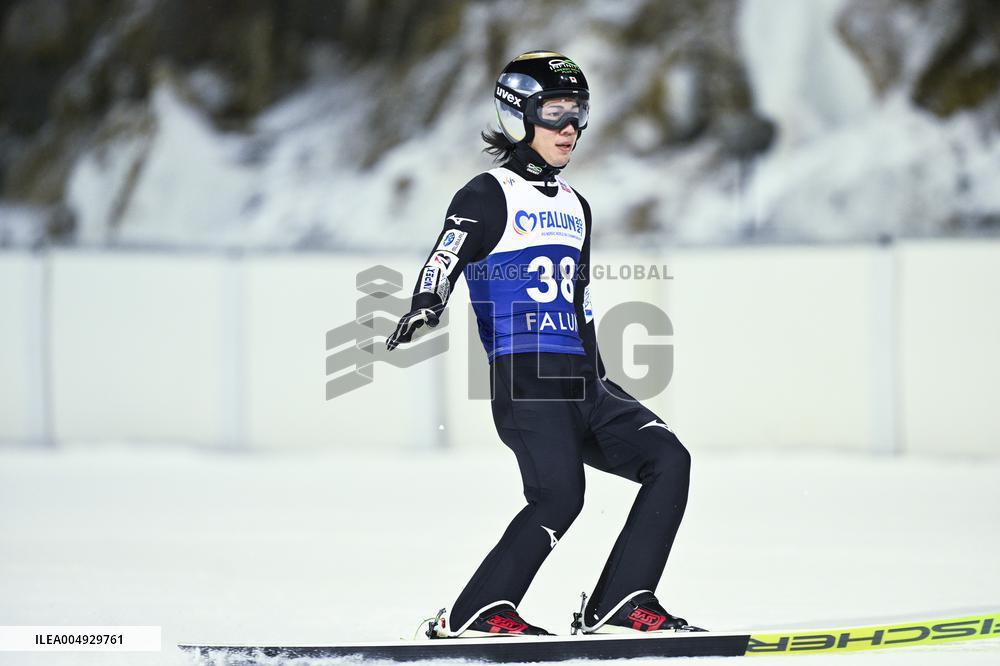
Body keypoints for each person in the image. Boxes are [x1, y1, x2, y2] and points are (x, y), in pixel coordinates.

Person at [387, 51, 696, 637]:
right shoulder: (487, 193)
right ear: (517, 117)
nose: (569, 128)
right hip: (525, 381)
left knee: (668, 459)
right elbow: (446, 255)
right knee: (560, 497)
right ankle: (477, 611)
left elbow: (579, 301)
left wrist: (601, 378)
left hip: (582, 381)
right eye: (554, 113)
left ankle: (622, 601)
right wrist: (427, 302)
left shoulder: (577, 207)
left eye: (577, 113)